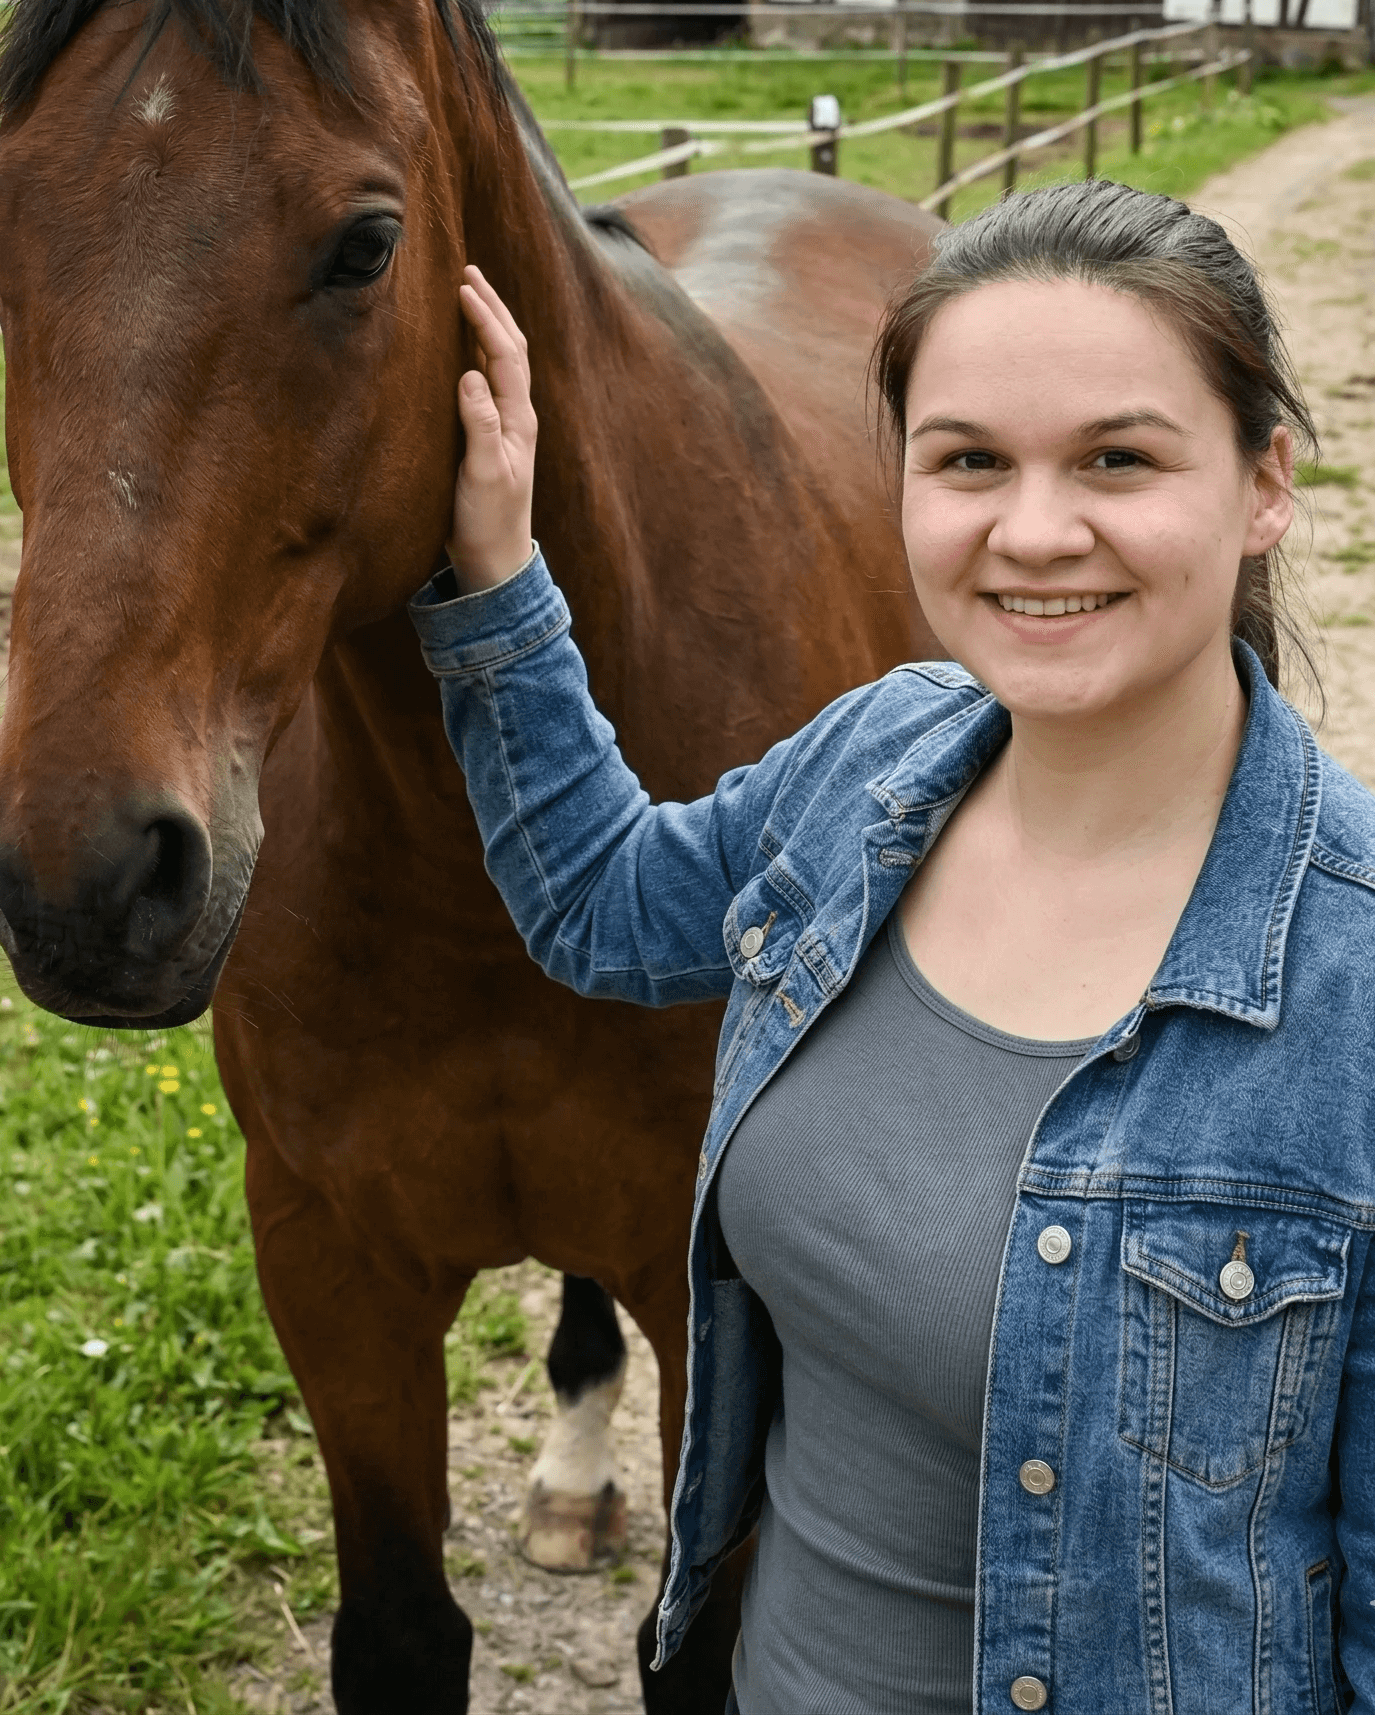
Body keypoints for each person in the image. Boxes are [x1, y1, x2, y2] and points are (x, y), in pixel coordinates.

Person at [407, 178, 1375, 1715]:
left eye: (1117, 458)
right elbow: (602, 898)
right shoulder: (879, 759)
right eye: (969, 460)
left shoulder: (1351, 991)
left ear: (1264, 485)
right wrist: (502, 571)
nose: (1035, 529)